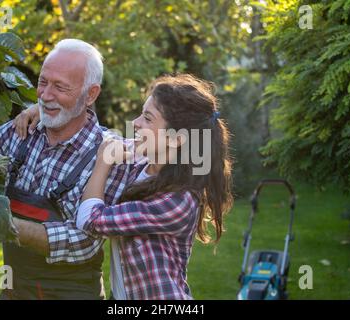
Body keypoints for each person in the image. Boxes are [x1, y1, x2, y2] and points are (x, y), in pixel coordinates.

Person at [0, 39, 132, 300]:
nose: (45, 95)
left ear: (91, 94)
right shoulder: (21, 131)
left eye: (60, 87)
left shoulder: (109, 154)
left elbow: (83, 241)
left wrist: (1, 226)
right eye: (42, 82)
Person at [76, 74, 233, 299]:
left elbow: (89, 221)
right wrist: (42, 114)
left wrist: (103, 162)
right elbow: (99, 137)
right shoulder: (141, 162)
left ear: (176, 139)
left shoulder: (176, 201)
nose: (136, 123)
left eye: (148, 118)